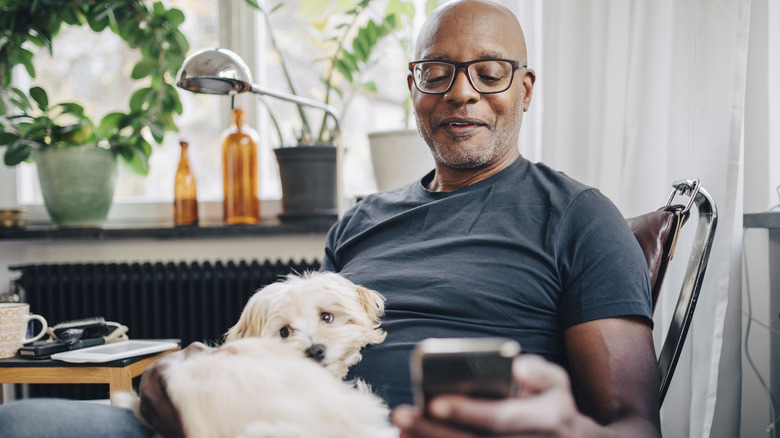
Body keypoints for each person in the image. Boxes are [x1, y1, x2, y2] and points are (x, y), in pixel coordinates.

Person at [0, 1, 660, 437]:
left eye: (490, 73)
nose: (462, 91)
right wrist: (194, 372)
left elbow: (633, 423)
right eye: (438, 71)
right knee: (24, 425)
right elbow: (298, 345)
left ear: (525, 89)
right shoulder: (362, 221)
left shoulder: (579, 218)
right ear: (414, 88)